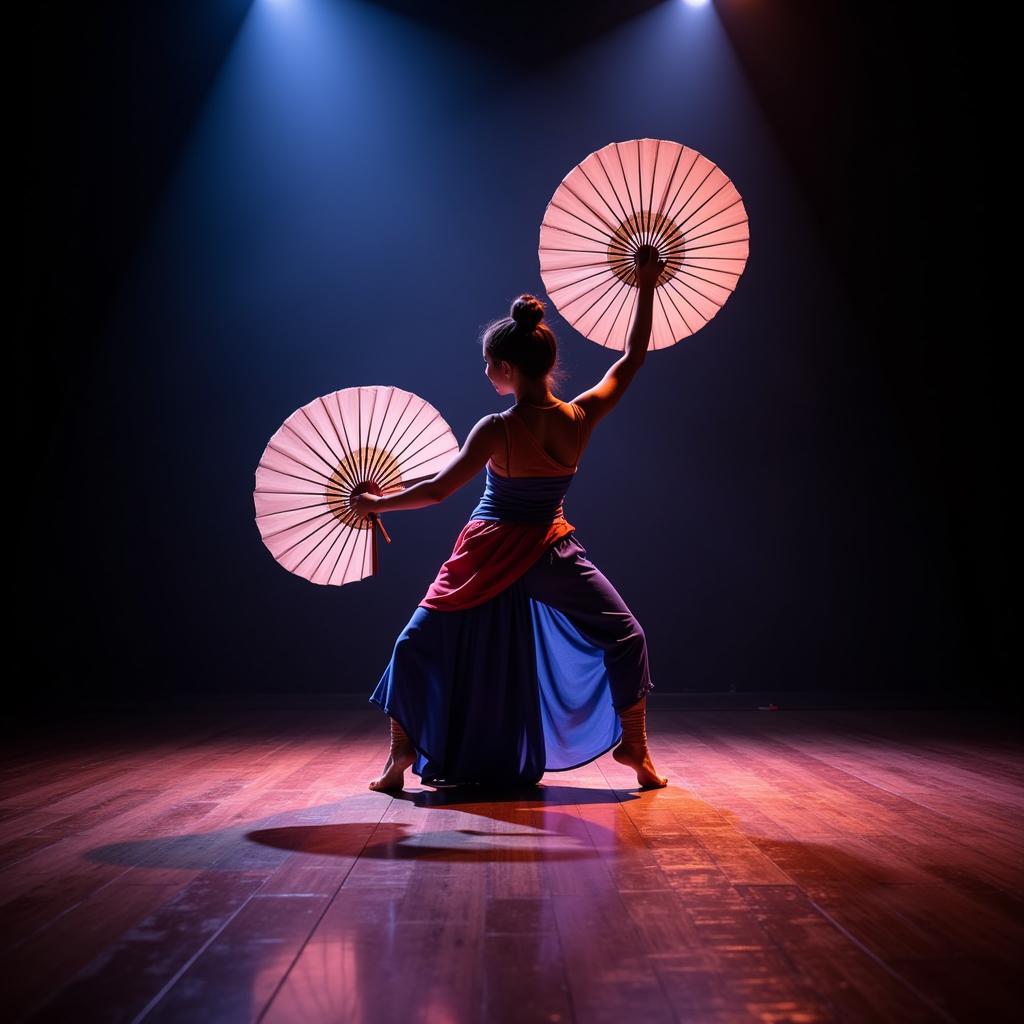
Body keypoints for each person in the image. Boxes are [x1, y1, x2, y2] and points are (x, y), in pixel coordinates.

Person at [350, 245, 669, 792]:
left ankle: (399, 756)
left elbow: (435, 491)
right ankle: (635, 746)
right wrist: (644, 284)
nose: (484, 371)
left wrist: (375, 503)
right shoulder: (580, 416)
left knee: (413, 645)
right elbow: (632, 358)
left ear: (509, 368)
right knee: (626, 635)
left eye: (489, 363)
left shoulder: (495, 427)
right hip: (550, 552)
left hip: (491, 550)